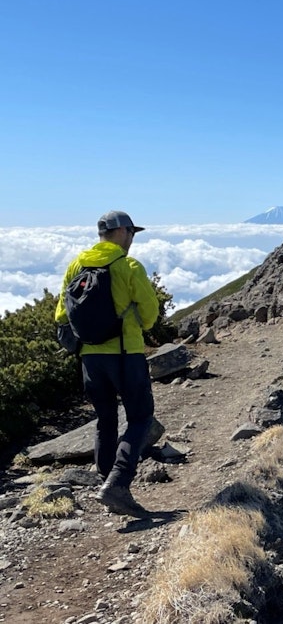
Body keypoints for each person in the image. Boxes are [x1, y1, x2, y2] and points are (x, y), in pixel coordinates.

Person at [55, 210, 159, 517]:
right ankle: (117, 483)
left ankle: (106, 483)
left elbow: (61, 315)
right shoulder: (128, 265)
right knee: (140, 417)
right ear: (123, 232)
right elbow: (150, 314)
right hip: (125, 354)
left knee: (105, 418)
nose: (132, 239)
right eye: (132, 233)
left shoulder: (76, 265)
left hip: (90, 357)